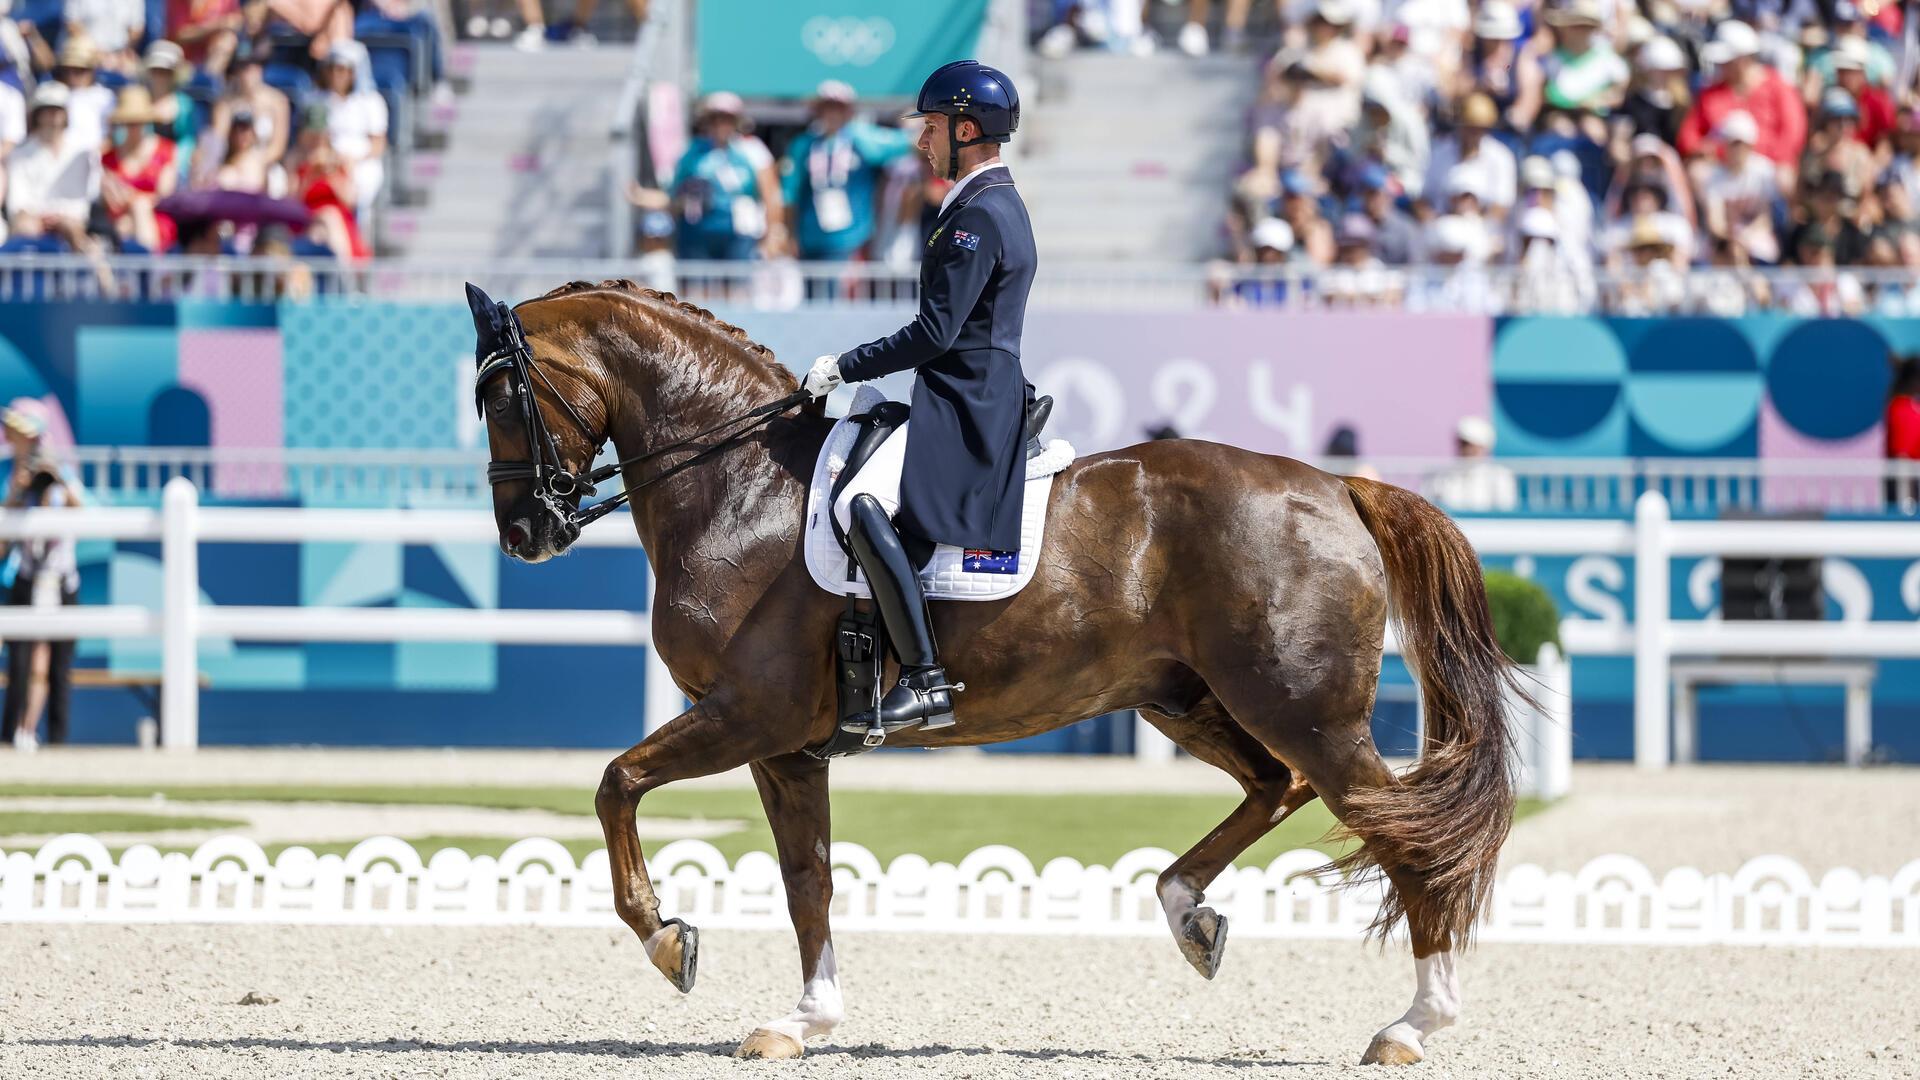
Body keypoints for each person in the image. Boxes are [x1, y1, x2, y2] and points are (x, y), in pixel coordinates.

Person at [799, 60, 1034, 736]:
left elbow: (936, 333)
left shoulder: (980, 216)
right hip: (964, 392)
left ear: (966, 129)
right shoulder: (980, 205)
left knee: (860, 504)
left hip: (969, 402)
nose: (920, 141)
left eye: (930, 128)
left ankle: (926, 679)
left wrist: (844, 366)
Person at [1, 399, 82, 751]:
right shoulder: (9, 475)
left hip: (60, 580)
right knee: (21, 664)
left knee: (55, 666)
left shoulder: (63, 472)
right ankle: (13, 734)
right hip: (26, 578)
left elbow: (85, 514)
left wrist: (58, 480)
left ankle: (53, 741)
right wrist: (18, 492)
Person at [780, 80, 911, 262]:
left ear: (848, 111)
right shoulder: (804, 145)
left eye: (838, 108)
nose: (832, 114)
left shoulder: (863, 140)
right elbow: (789, 193)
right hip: (810, 236)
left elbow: (906, 144)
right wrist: (788, 233)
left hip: (852, 237)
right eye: (827, 108)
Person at [669, 92, 779, 261]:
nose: (720, 125)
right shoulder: (693, 152)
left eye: (726, 119)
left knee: (737, 284)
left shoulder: (752, 149)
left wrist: (771, 233)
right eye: (715, 119)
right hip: (698, 231)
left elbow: (770, 194)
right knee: (698, 284)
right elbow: (676, 193)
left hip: (740, 232)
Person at [5, 82, 102, 251]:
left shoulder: (82, 154)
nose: (53, 115)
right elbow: (17, 203)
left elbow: (81, 203)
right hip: (32, 223)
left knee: (80, 236)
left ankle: (103, 276)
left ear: (65, 114)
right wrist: (43, 217)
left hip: (71, 225)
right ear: (38, 114)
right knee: (25, 227)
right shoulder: (19, 154)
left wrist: (61, 218)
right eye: (47, 109)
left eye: (58, 109)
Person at [101, 86, 179, 251]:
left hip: (156, 221)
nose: (134, 127)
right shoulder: (107, 158)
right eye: (129, 123)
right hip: (119, 222)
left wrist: (132, 199)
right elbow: (112, 201)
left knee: (140, 207)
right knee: (124, 223)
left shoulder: (166, 151)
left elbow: (164, 196)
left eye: (138, 122)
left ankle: (148, 267)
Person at [1428, 416, 1517, 512]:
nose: (1467, 449)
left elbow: (1505, 512)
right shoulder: (1440, 476)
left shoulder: (1500, 476)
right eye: (1463, 444)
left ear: (1484, 447)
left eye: (1471, 445)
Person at [1885, 356, 1920, 512]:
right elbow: (1902, 457)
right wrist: (1906, 505)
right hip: (1906, 489)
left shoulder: (1907, 407)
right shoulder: (1902, 409)